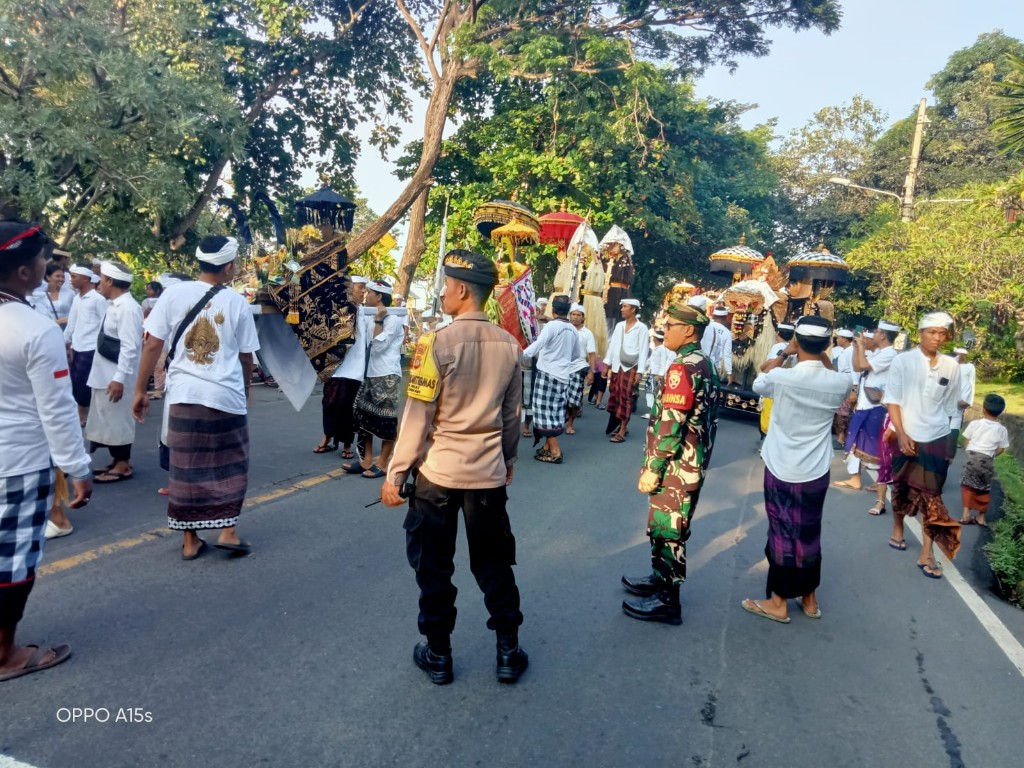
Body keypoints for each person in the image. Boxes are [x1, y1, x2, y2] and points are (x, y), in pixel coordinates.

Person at [381, 249, 527, 686]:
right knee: (494, 564)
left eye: (446, 285)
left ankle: (439, 655)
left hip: (438, 476)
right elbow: (511, 417)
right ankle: (507, 651)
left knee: (433, 567)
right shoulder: (510, 346)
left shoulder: (436, 344)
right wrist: (509, 461)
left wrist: (395, 475)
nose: (443, 292)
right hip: (487, 475)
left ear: (462, 290)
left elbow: (418, 416)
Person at [0, 220, 91, 682]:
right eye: (41, 260)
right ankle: (4, 655)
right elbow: (57, 410)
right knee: (13, 562)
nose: (48, 267)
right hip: (16, 462)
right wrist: (78, 468)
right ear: (22, 272)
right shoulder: (34, 328)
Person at [132, 236, 259, 561]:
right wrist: (245, 391)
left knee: (186, 467)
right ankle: (227, 531)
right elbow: (247, 357)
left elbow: (151, 345)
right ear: (228, 267)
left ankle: (190, 540)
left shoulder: (173, 294)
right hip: (226, 396)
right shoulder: (237, 302)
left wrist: (139, 389)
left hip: (184, 396)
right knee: (229, 463)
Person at [741, 316, 851, 624]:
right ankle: (809, 599)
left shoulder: (782, 378)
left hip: (781, 466)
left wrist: (786, 353)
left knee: (781, 533)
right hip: (816, 469)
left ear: (797, 342)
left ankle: (778, 601)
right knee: (809, 533)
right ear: (828, 344)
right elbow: (834, 378)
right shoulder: (840, 382)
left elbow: (760, 379)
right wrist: (818, 352)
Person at [621, 301, 718, 625]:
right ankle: (659, 579)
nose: (665, 331)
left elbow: (671, 424)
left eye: (672, 326)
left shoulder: (683, 368)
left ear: (689, 330)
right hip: (691, 463)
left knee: (669, 529)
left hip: (677, 465)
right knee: (663, 528)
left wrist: (654, 467)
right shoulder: (702, 362)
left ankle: (668, 600)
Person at [883, 311, 962, 579]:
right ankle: (898, 528)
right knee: (901, 487)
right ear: (920, 333)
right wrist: (902, 433)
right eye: (932, 332)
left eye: (942, 333)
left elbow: (952, 409)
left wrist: (950, 444)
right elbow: (892, 399)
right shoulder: (902, 361)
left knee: (933, 496)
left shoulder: (952, 367)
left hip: (936, 436)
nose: (937, 338)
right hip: (905, 434)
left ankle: (926, 552)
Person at [85, 261, 144, 484]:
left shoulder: (128, 308)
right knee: (107, 419)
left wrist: (119, 379)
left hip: (116, 375)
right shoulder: (114, 304)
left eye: (101, 278)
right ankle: (116, 460)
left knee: (118, 420)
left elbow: (130, 347)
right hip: (104, 373)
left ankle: (123, 464)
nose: (98, 282)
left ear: (110, 281)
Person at [834, 321, 899, 519]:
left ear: (883, 335)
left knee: (874, 447)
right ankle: (857, 478)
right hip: (865, 405)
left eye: (877, 332)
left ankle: (877, 484)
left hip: (875, 407)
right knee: (856, 443)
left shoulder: (890, 354)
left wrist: (861, 347)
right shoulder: (879, 353)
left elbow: (862, 365)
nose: (873, 335)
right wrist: (857, 347)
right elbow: (858, 365)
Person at [349, 280, 404, 478]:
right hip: (370, 373)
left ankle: (383, 463)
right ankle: (366, 460)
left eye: (370, 292)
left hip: (387, 374)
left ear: (379, 296)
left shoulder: (394, 318)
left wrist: (380, 321)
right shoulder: (367, 314)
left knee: (386, 419)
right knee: (364, 416)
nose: (366, 294)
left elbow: (378, 347)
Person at [523, 294, 581, 464]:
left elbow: (537, 346)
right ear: (568, 311)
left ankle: (555, 451)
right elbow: (576, 354)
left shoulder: (551, 326)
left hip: (547, 374)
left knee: (542, 412)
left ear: (553, 309)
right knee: (555, 412)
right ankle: (547, 447)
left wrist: (520, 355)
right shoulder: (572, 329)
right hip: (563, 375)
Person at [318, 275, 369, 457]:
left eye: (364, 288)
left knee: (346, 407)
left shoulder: (364, 312)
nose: (363, 291)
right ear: (349, 288)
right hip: (335, 364)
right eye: (360, 287)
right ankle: (327, 437)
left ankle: (347, 444)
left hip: (353, 367)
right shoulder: (336, 307)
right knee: (328, 403)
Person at [63, 263, 106, 425]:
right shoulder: (76, 299)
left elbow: (105, 326)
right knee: (75, 380)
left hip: (91, 347)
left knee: (84, 382)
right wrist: (64, 343)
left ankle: (83, 414)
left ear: (86, 279)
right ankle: (80, 413)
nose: (71, 280)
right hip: (77, 346)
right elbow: (71, 325)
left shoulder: (98, 300)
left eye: (74, 277)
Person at [959, 393, 1010, 527]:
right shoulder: (1001, 429)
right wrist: (991, 455)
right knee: (984, 488)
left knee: (968, 485)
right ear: (1001, 412)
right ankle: (981, 518)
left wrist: (970, 453)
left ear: (983, 409)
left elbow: (967, 441)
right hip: (986, 460)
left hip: (971, 457)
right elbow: (1001, 449)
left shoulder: (975, 424)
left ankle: (965, 515)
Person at [604, 298, 649, 443]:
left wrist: (640, 371)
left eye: (625, 307)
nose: (622, 309)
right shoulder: (619, 326)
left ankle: (622, 429)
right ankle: (620, 424)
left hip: (630, 367)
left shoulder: (641, 328)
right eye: (622, 307)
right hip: (617, 366)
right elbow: (612, 346)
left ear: (633, 309)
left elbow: (644, 350)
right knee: (615, 395)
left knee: (626, 398)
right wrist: (607, 364)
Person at [565, 303, 596, 435]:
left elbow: (591, 354)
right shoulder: (564, 329)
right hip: (561, 367)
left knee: (573, 399)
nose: (575, 317)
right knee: (560, 398)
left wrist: (591, 373)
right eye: (573, 314)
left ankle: (570, 424)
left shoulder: (587, 333)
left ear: (583, 318)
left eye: (578, 315)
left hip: (578, 367)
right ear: (569, 315)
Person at [949, 346, 977, 457]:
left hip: (960, 403)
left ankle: (950, 455)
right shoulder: (949, 366)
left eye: (960, 354)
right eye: (956, 354)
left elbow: (972, 384)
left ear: (964, 356)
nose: (957, 356)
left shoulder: (970, 367)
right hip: (947, 400)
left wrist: (969, 401)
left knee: (954, 427)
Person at [641, 329, 672, 419]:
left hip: (656, 375)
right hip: (653, 373)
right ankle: (655, 411)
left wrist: (660, 375)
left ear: (656, 339)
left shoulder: (662, 349)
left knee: (651, 392)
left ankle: (652, 412)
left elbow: (663, 363)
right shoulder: (657, 349)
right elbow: (650, 361)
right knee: (651, 392)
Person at [831, 328, 856, 445]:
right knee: (839, 410)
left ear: (845, 339)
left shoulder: (851, 351)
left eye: (839, 338)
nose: (837, 340)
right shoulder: (842, 351)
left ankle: (843, 436)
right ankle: (840, 435)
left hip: (848, 381)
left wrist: (853, 387)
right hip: (841, 380)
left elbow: (853, 370)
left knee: (844, 411)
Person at [703, 306, 735, 387]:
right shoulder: (727, 333)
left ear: (713, 315)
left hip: (700, 363)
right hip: (714, 368)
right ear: (725, 317)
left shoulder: (705, 326)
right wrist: (729, 373)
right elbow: (727, 354)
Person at [34, 263, 72, 328]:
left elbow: (76, 312)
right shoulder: (40, 294)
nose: (61, 279)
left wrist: (67, 319)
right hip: (47, 327)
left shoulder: (70, 293)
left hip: (66, 328)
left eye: (63, 277)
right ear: (48, 277)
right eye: (57, 276)